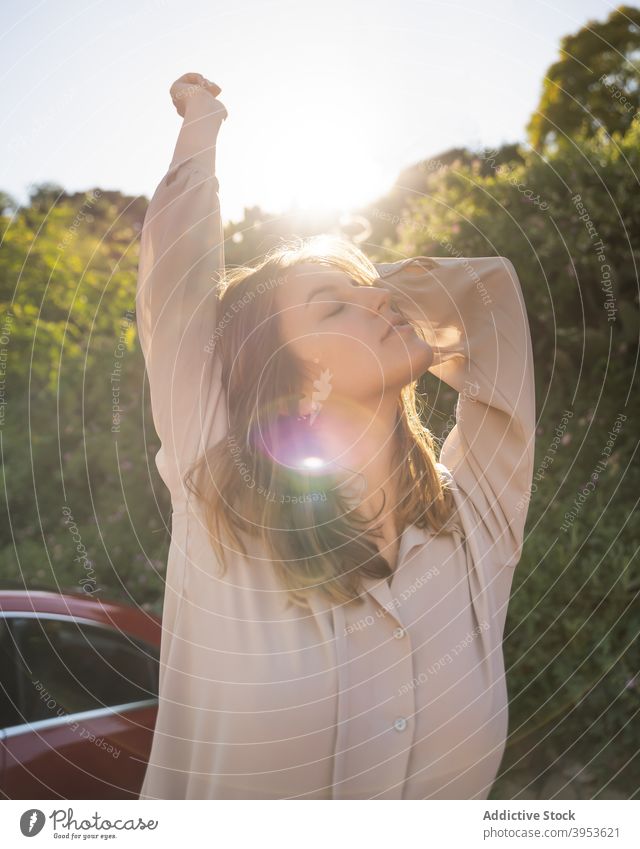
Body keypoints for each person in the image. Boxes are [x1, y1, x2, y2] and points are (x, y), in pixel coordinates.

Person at [135, 72, 536, 799]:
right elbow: (177, 292)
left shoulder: (475, 527)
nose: (379, 299)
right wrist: (205, 123)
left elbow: (490, 296)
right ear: (285, 375)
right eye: (333, 309)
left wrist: (356, 288)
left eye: (373, 293)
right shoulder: (224, 498)